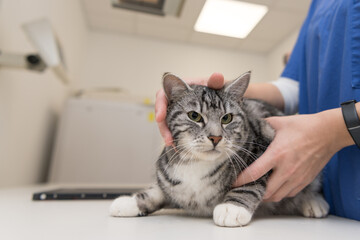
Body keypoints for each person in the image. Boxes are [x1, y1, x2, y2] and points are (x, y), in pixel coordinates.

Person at [155, 0, 360, 221]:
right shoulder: (317, 4)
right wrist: (223, 94)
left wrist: (335, 130)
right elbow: (294, 87)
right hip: (334, 202)